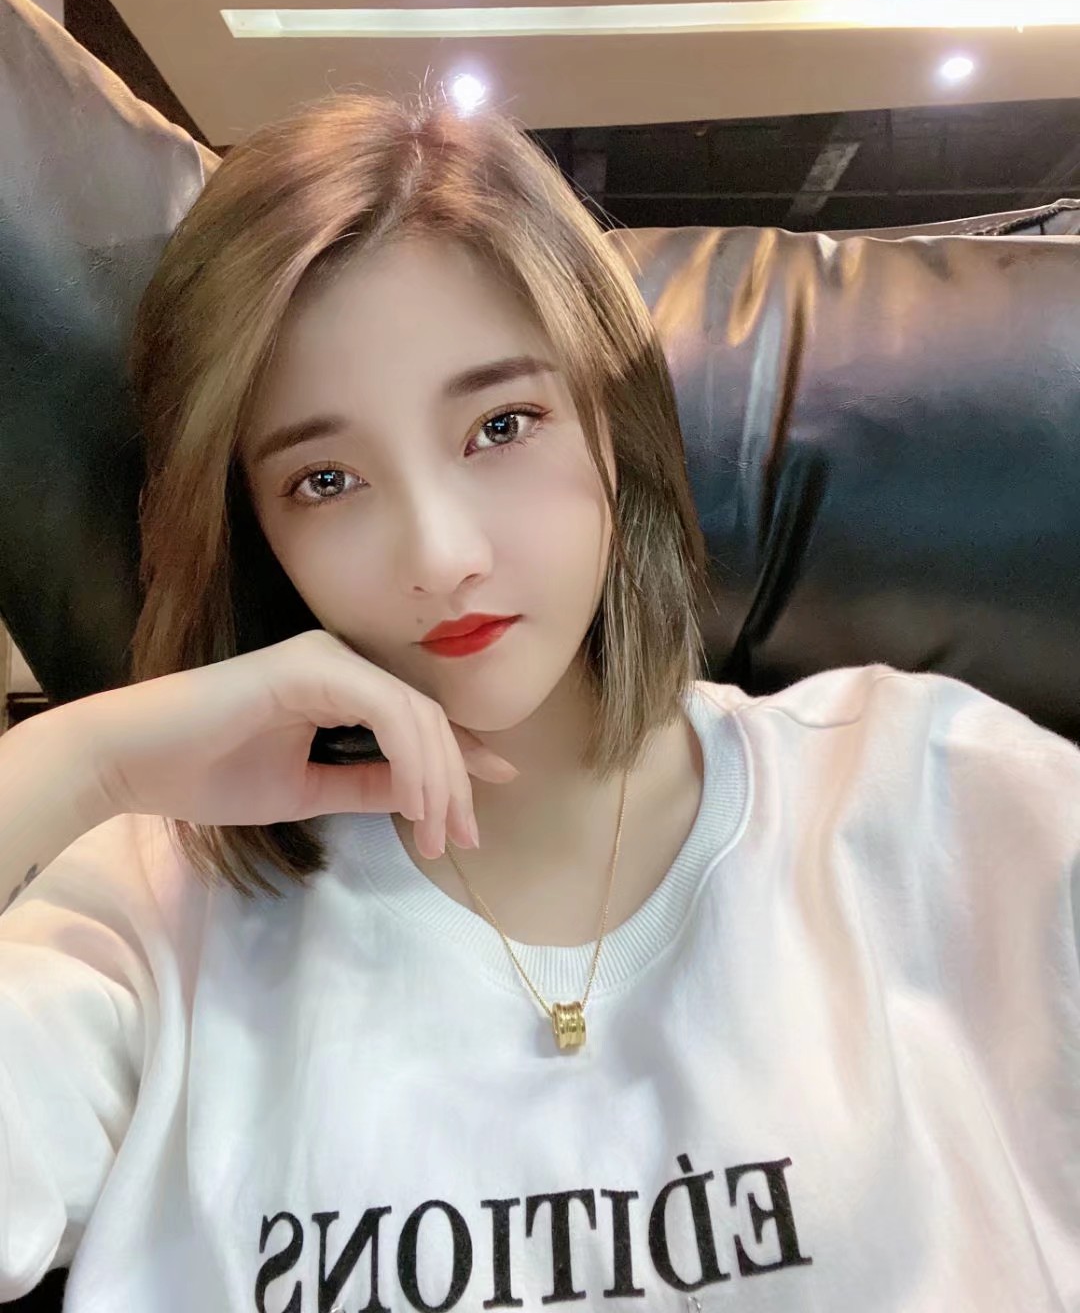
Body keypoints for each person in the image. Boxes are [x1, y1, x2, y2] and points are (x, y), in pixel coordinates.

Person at [0, 89, 1077, 1312]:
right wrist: (78, 764)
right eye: (326, 479)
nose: (441, 554)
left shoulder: (944, 800)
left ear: (610, 417)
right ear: (255, 529)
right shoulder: (154, 914)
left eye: (501, 424)